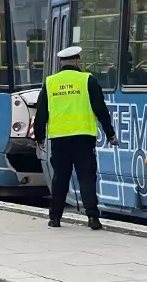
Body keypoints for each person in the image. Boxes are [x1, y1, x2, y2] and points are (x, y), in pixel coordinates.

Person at [33, 46, 118, 230]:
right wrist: (110, 133)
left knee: (60, 178)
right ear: (78, 61)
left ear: (61, 63)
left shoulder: (50, 82)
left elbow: (41, 113)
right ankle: (93, 218)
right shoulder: (88, 80)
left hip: (59, 139)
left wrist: (39, 136)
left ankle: (55, 218)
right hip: (83, 138)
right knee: (86, 177)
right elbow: (100, 109)